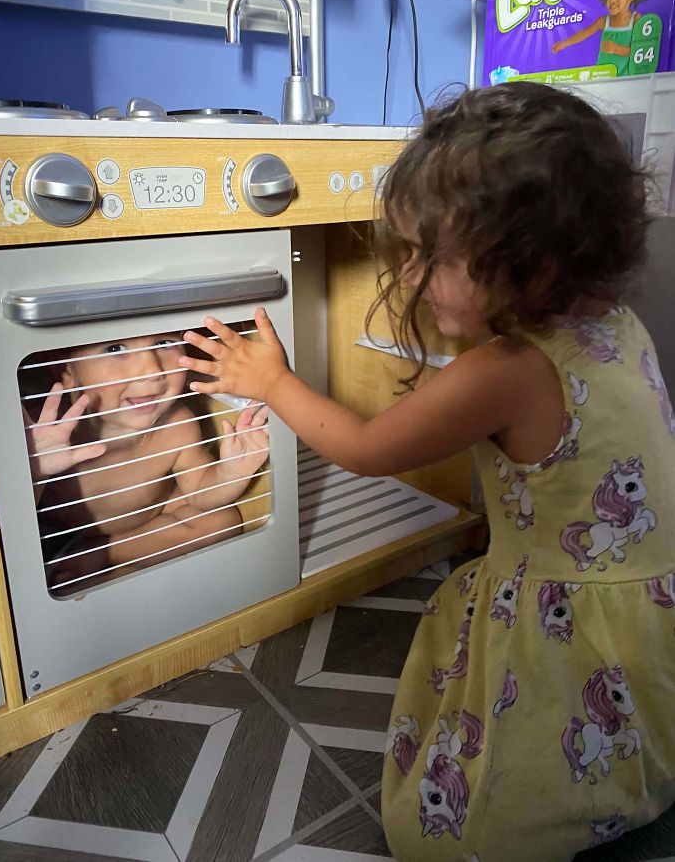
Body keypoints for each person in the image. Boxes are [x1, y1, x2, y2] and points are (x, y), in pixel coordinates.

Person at [178, 82, 675, 861]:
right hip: (637, 602)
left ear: (532, 264)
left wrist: (270, 379)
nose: (407, 277)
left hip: (568, 620)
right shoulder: (614, 323)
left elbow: (369, 448)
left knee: (446, 832)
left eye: (430, 256)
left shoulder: (509, 369)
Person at [25, 330, 269, 592]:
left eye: (164, 344)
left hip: (147, 519)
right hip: (54, 534)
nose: (151, 370)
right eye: (114, 349)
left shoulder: (179, 425)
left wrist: (230, 473)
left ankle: (106, 554)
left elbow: (200, 490)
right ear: (66, 371)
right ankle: (94, 563)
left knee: (224, 520)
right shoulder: (43, 432)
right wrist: (35, 470)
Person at [551, 0, 650, 76]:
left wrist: (616, 49)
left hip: (625, 78)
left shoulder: (636, 20)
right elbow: (584, 34)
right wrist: (565, 43)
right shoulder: (604, 21)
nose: (613, 0)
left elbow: (639, 52)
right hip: (603, 75)